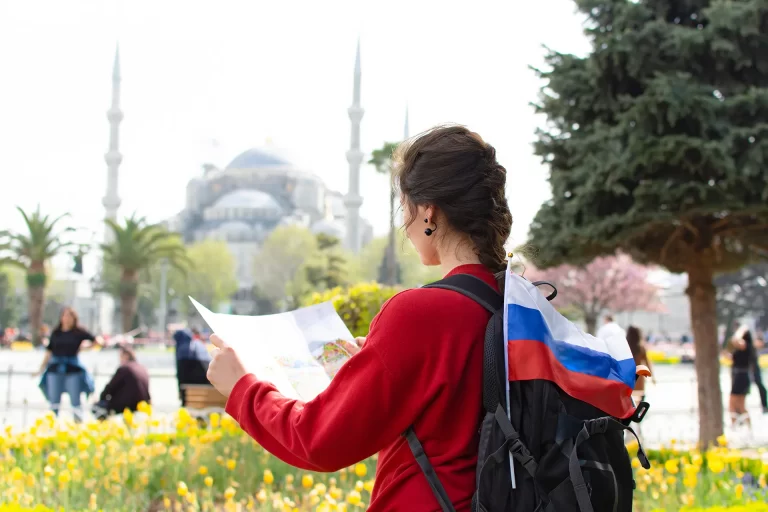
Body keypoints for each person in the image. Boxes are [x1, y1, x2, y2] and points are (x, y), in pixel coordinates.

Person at [206, 125, 512, 511]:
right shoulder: (516, 304)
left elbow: (318, 440)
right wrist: (377, 361)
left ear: (428, 212)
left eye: (404, 207)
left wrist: (242, 388)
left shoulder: (420, 314)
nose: (404, 224)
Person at [36, 307, 102, 421]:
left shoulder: (78, 332)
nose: (67, 318)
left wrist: (85, 348)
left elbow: (97, 340)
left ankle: (77, 424)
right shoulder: (56, 333)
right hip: (55, 369)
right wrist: (40, 369)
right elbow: (49, 352)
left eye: (69, 316)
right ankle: (52, 426)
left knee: (75, 401)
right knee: (54, 401)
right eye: (65, 315)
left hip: (72, 369)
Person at [92, 344, 151, 419]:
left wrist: (101, 399)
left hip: (125, 405)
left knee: (97, 407)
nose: (119, 359)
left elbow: (110, 387)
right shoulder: (142, 368)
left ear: (125, 355)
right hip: (141, 404)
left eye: (120, 356)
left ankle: (104, 425)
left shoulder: (124, 368)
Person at [174, 328, 212, 406]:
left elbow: (181, 375)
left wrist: (180, 392)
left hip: (190, 392)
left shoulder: (182, 349)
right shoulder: (198, 344)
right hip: (207, 388)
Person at [727, 323, 755, 425]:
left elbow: (735, 340)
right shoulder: (743, 348)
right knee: (739, 404)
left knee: (734, 403)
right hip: (739, 375)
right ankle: (745, 426)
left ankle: (736, 425)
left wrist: (740, 331)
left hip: (741, 376)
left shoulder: (745, 345)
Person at [626, 325, 654, 401]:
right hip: (639, 378)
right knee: (640, 399)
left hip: (628, 378)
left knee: (629, 400)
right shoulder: (641, 348)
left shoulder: (625, 348)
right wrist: (653, 378)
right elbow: (647, 363)